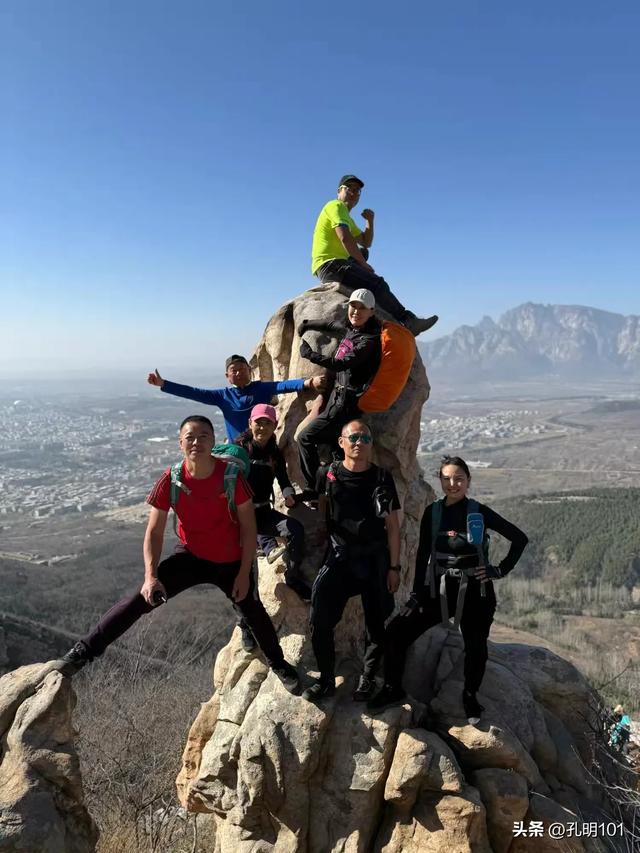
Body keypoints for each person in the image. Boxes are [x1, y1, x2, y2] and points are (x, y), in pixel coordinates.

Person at [56, 415, 300, 693]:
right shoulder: (171, 479)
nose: (197, 442)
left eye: (204, 436)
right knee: (140, 600)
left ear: (213, 441)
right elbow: (154, 531)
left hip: (230, 559)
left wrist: (244, 573)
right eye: (190, 437)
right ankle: (83, 652)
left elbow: (248, 527)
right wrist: (150, 577)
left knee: (253, 610)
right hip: (191, 556)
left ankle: (279, 664)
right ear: (180, 442)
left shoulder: (231, 478)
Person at [369, 456, 528, 722]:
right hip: (438, 589)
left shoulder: (478, 511)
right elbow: (422, 555)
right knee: (397, 631)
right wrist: (418, 592)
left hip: (476, 591)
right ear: (440, 480)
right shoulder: (433, 512)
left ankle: (469, 696)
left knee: (476, 646)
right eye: (446, 479)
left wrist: (498, 570)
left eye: (458, 479)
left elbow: (519, 539)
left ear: (468, 481)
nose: (452, 484)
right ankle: (392, 688)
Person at [302, 420, 401, 703]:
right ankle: (325, 680)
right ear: (341, 443)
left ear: (371, 444)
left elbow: (393, 527)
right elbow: (322, 505)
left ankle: (368, 678)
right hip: (340, 557)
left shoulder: (383, 477)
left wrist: (394, 567)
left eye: (365, 438)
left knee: (377, 622)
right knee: (319, 619)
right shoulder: (328, 473)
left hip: (375, 559)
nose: (359, 442)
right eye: (353, 437)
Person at [311, 174, 438, 337]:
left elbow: (365, 242)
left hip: (333, 264)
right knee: (377, 284)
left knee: (364, 252)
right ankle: (408, 320)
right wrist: (363, 265)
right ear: (339, 191)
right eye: (349, 188)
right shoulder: (335, 206)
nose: (354, 192)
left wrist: (369, 221)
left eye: (358, 191)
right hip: (331, 265)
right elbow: (345, 237)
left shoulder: (346, 217)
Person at [297, 288, 381, 491]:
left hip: (345, 404)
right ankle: (335, 487)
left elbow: (341, 363)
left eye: (362, 308)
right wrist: (307, 324)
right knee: (335, 446)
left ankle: (314, 489)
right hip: (338, 399)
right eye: (353, 306)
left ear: (371, 311)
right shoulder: (353, 331)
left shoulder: (368, 341)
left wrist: (310, 354)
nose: (356, 311)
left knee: (304, 438)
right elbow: (332, 325)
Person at [235, 402, 311, 621]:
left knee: (295, 530)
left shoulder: (274, 454)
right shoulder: (240, 450)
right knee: (247, 574)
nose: (262, 428)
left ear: (274, 426)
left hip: (264, 511)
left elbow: (283, 478)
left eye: (268, 424)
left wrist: (288, 495)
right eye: (259, 423)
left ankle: (293, 578)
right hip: (241, 517)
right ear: (250, 423)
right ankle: (247, 623)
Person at [147, 355, 325, 441]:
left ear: (250, 371)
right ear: (227, 376)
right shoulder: (223, 396)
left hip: (263, 446)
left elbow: (284, 385)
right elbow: (193, 392)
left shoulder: (261, 388)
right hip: (237, 450)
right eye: (234, 370)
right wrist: (164, 384)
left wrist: (309, 382)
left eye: (242, 368)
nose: (239, 372)